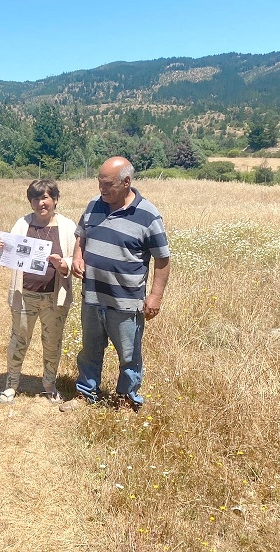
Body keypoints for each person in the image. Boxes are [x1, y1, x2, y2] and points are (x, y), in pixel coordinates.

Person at [59, 156, 170, 413]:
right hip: (93, 296)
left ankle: (127, 397)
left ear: (127, 182)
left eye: (108, 184)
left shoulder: (148, 215)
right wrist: (77, 256)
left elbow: (163, 259)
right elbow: (81, 235)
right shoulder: (94, 206)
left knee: (129, 354)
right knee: (90, 350)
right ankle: (86, 392)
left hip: (126, 301)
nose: (102, 189)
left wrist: (155, 297)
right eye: (100, 183)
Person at [0, 179, 77, 405]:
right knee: (19, 339)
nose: (41, 203)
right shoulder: (22, 224)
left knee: (52, 342)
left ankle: (49, 384)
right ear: (30, 202)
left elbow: (76, 258)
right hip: (24, 295)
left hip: (55, 297)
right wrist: (2, 250)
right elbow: (11, 254)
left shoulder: (68, 227)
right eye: (35, 198)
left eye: (45, 198)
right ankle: (11, 384)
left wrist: (64, 265)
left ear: (55, 200)